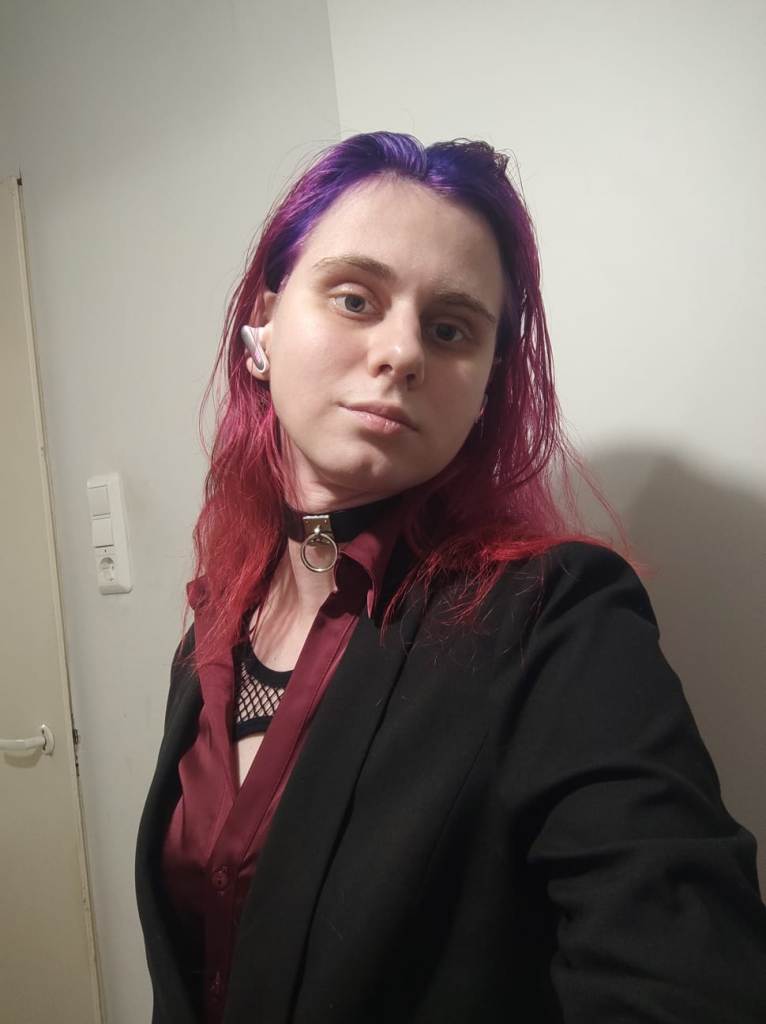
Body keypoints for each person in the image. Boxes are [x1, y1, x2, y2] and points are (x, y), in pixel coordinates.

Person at [135, 131, 766, 1024]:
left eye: (449, 329)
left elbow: (682, 977)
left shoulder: (558, 618)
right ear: (263, 327)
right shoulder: (212, 625)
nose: (402, 353)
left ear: (484, 390)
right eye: (355, 299)